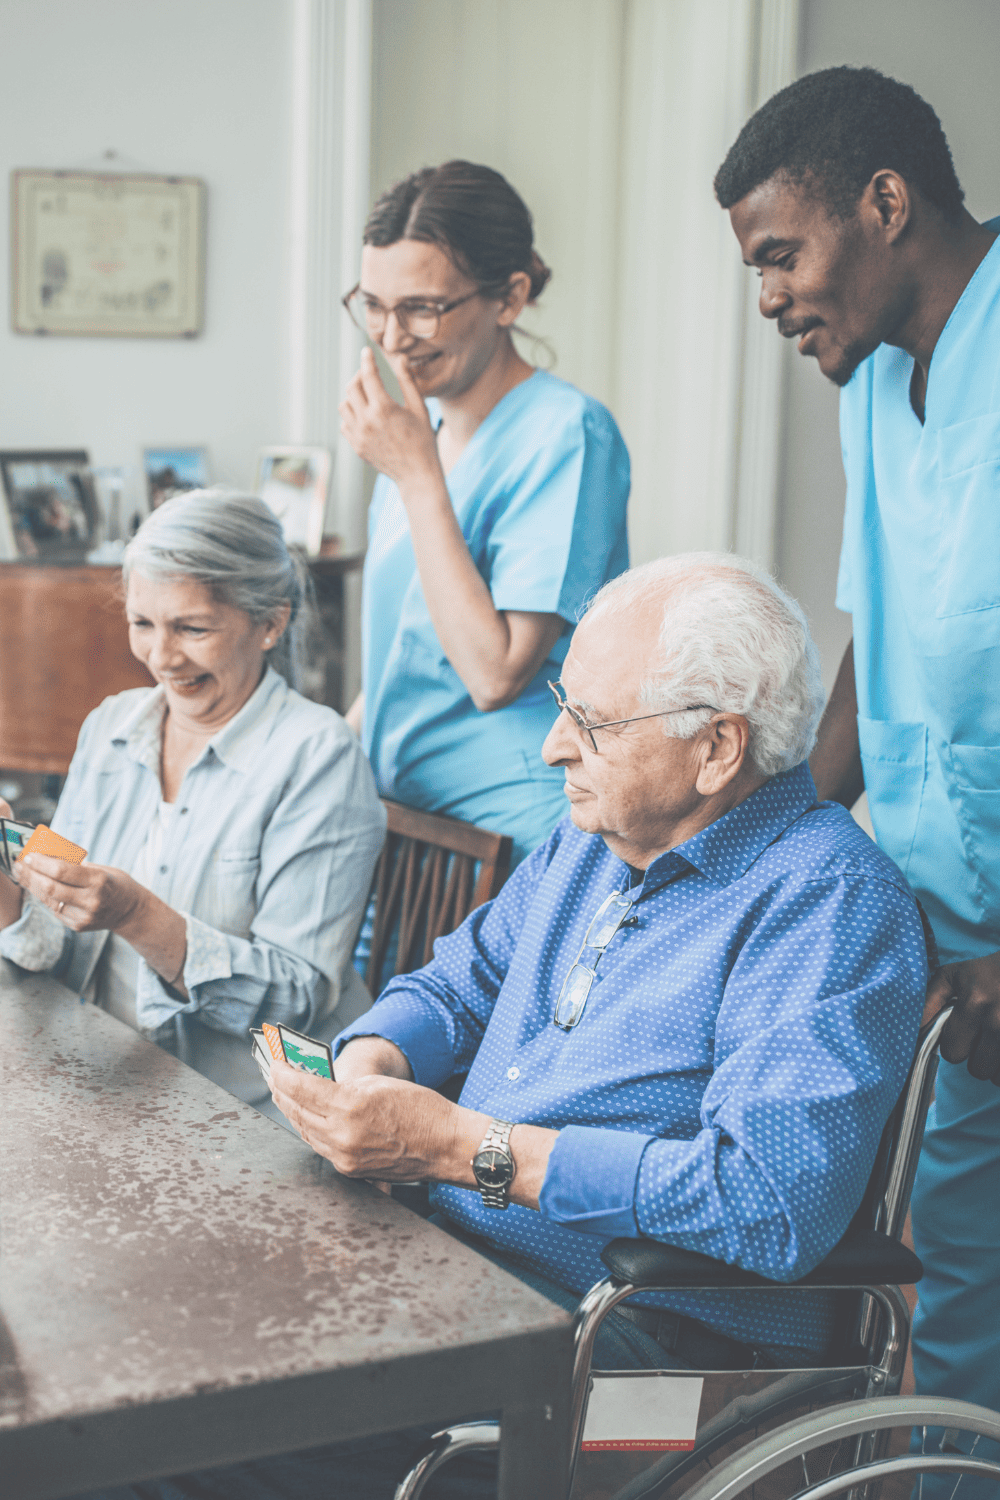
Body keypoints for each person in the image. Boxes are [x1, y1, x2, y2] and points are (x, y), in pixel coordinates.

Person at [95, 554, 928, 1500]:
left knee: (160, 1437)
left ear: (718, 749)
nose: (552, 748)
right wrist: (372, 1060)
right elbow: (457, 983)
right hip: (459, 1264)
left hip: (630, 1341)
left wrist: (468, 1149)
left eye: (594, 723)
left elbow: (767, 1203)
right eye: (563, 705)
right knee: (149, 1331)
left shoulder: (825, 901)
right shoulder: (594, 841)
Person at [715, 64, 1000, 1487]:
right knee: (961, 1287)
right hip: (954, 925)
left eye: (782, 253)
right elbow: (871, 626)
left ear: (886, 203)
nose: (767, 296)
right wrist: (763, 825)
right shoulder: (877, 382)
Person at [0, 490, 385, 1120]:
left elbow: (298, 999)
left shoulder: (318, 758)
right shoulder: (112, 727)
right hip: (105, 1074)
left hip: (238, 1111)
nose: (161, 657)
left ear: (271, 623)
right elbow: (51, 945)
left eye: (192, 628)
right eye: (142, 624)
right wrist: (9, 877)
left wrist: (136, 914)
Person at [340, 160, 630, 867]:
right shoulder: (421, 435)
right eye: (373, 305)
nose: (392, 336)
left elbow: (495, 672)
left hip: (509, 836)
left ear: (510, 297)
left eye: (422, 307)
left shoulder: (566, 434)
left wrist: (416, 477)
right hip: (400, 825)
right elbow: (404, 653)